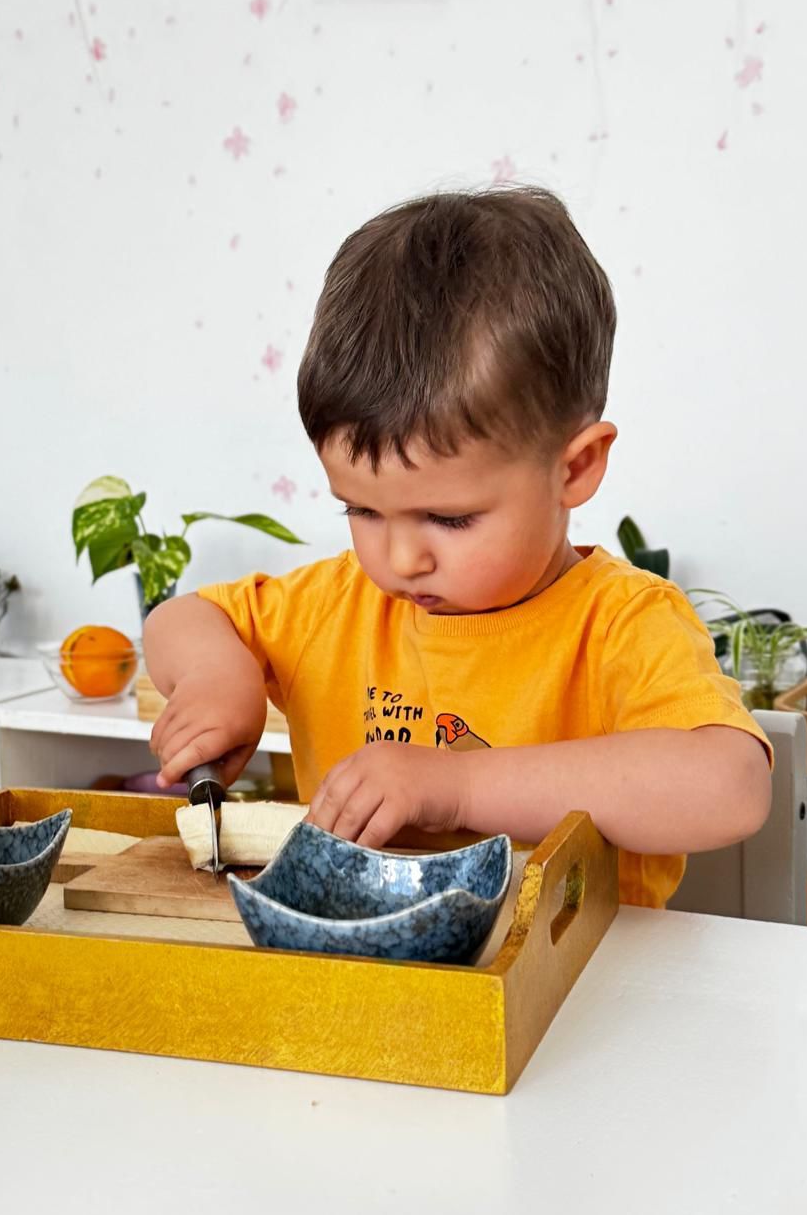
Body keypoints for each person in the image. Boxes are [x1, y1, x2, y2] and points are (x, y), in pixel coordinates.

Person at [143, 188, 771, 906]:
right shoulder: (338, 604)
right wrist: (219, 679)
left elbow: (731, 786)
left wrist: (456, 786)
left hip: (581, 994)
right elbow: (180, 618)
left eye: (448, 518)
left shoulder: (622, 625)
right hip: (367, 979)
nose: (400, 559)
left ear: (574, 469)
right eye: (361, 509)